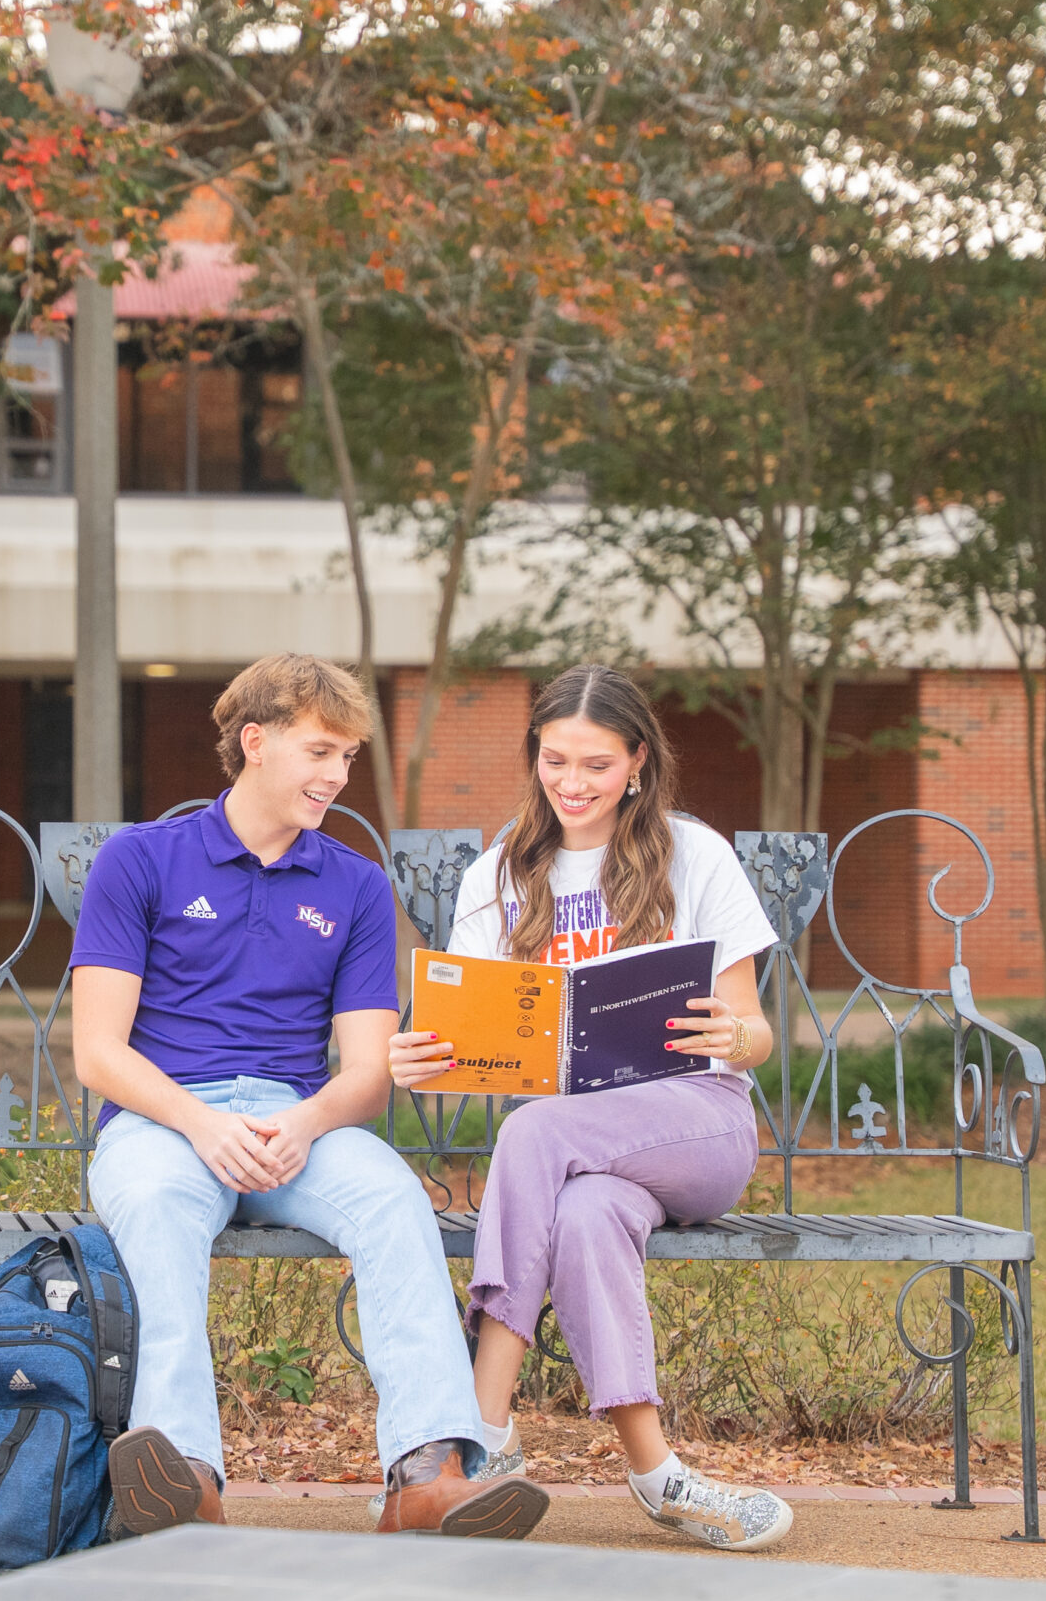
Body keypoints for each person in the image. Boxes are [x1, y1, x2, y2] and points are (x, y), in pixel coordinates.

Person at [72, 653, 548, 1541]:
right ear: (255, 742)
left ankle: (427, 1475)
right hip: (165, 1119)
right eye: (320, 751)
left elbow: (366, 1073)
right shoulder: (141, 861)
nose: (336, 775)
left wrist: (303, 1120)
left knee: (393, 1201)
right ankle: (185, 1480)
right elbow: (98, 1052)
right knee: (154, 1205)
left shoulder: (357, 885)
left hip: (301, 1122)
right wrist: (203, 1123)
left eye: (349, 757)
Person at [391, 663, 796, 1551]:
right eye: (554, 760)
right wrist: (424, 1060)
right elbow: (474, 1041)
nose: (572, 784)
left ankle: (483, 1431)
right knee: (582, 1214)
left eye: (597, 766)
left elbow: (756, 1030)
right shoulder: (500, 874)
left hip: (697, 1124)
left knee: (535, 1131)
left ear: (639, 763)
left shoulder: (695, 855)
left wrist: (734, 1038)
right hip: (577, 1155)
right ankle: (660, 1475)